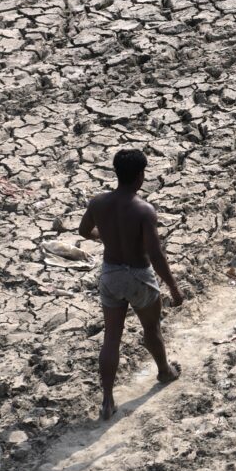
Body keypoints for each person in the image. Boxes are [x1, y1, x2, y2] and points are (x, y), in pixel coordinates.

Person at [78, 149, 182, 420]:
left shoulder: (98, 203)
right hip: (138, 276)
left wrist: (107, 238)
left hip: (110, 274)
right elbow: (155, 254)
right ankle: (163, 370)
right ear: (139, 176)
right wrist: (172, 286)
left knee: (112, 338)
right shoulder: (143, 209)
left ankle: (108, 400)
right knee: (151, 328)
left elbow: (83, 231)